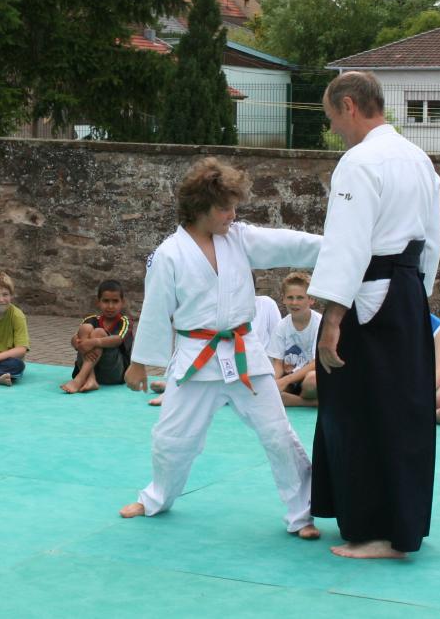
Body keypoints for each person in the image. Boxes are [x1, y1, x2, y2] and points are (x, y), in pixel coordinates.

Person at [120, 157, 323, 540]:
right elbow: (156, 309)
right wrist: (140, 363)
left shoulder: (239, 238)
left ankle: (302, 514)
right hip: (196, 360)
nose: (232, 214)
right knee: (171, 438)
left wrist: (339, 248)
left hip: (245, 353)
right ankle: (155, 498)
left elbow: (289, 243)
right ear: (200, 208)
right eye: (224, 208)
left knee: (279, 435)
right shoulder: (169, 254)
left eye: (234, 207)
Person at [308, 71, 440, 561]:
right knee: (403, 413)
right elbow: (432, 240)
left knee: (359, 412)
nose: (335, 130)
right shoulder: (419, 159)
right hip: (406, 294)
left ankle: (372, 531)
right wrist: (415, 301)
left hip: (367, 299)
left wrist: (332, 319)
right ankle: (398, 525)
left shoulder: (359, 161)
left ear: (349, 105)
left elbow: (349, 244)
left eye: (332, 120)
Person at [147, 292, 278, 408]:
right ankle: (173, 389)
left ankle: (177, 389)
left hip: (253, 364)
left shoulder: (266, 303)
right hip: (219, 361)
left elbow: (278, 335)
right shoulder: (219, 306)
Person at [62, 279, 132, 393]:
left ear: (122, 302)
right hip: (94, 370)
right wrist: (79, 343)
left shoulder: (124, 321)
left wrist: (94, 342)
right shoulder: (91, 319)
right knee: (85, 328)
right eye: (106, 301)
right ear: (98, 302)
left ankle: (80, 379)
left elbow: (118, 340)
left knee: (98, 333)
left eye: (115, 301)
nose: (110, 306)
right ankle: (90, 379)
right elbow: (74, 339)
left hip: (114, 373)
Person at [268, 272, 321, 408]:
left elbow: (317, 363)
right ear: (284, 299)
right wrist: (274, 382)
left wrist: (286, 380)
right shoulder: (281, 326)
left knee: (312, 380)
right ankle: (311, 403)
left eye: (300, 298)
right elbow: (278, 364)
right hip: (291, 378)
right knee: (270, 391)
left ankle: (298, 401)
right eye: (290, 297)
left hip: (311, 378)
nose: (294, 302)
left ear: (311, 299)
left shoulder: (320, 323)